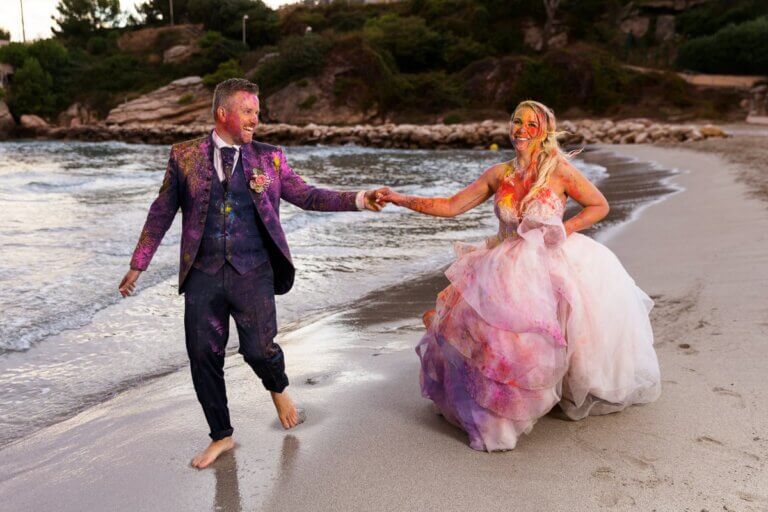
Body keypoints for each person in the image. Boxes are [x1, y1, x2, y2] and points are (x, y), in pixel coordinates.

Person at [118, 78, 387, 468]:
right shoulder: (184, 156)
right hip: (202, 273)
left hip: (254, 270)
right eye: (247, 111)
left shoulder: (270, 158)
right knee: (202, 355)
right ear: (222, 113)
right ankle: (221, 436)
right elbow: (161, 212)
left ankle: (277, 388)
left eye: (257, 113)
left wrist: (360, 199)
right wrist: (138, 262)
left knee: (259, 350)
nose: (255, 119)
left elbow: (308, 195)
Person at [378, 100, 661, 451]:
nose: (521, 130)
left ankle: (545, 394)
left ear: (544, 131)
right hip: (503, 262)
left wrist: (565, 229)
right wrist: (398, 198)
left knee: (552, 334)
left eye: (531, 124)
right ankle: (496, 413)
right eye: (517, 121)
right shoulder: (499, 174)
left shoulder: (559, 171)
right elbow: (451, 206)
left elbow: (599, 205)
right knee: (491, 337)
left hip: (550, 259)